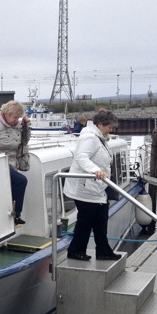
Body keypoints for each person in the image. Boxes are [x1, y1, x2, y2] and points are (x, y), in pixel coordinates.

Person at [63, 109, 121, 261]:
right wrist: (96, 170)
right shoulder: (90, 138)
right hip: (84, 188)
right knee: (86, 221)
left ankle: (103, 250)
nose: (111, 130)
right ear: (100, 124)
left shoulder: (99, 137)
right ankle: (75, 251)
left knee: (100, 220)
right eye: (109, 127)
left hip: (95, 188)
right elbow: (81, 157)